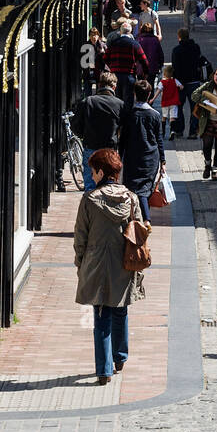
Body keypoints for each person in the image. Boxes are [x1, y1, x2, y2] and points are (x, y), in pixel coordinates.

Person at [74, 148, 146, 385]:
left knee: (101, 315)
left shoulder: (89, 200)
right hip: (124, 263)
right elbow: (138, 235)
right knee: (121, 309)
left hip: (97, 263)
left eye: (93, 171)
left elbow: (80, 238)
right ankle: (120, 357)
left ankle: (103, 370)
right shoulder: (132, 198)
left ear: (102, 172)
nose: (92, 176)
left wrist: (80, 264)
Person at [119, 79, 166, 223]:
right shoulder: (155, 115)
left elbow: (123, 139)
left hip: (132, 157)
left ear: (134, 94)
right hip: (151, 158)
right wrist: (162, 160)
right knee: (145, 190)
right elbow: (159, 139)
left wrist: (119, 157)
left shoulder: (129, 115)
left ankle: (135, 220)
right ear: (149, 94)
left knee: (132, 189)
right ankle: (145, 220)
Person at [71, 71, 124, 190]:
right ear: (114, 87)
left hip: (91, 147)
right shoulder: (120, 104)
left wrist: (84, 135)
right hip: (110, 150)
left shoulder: (88, 101)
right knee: (110, 185)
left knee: (90, 186)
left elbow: (75, 126)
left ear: (99, 85)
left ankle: (91, 207)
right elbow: (124, 128)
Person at [105, 21, 149, 104]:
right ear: (130, 32)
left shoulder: (113, 43)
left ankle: (118, 116)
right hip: (129, 75)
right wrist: (145, 73)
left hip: (115, 75)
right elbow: (144, 60)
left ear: (120, 31)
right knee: (128, 100)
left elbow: (105, 58)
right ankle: (127, 116)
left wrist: (112, 67)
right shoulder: (134, 44)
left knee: (117, 99)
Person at [159, 64, 183, 139]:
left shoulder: (162, 82)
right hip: (174, 102)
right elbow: (181, 87)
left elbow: (158, 91)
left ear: (164, 73)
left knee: (164, 117)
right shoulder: (175, 80)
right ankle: (172, 131)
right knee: (173, 117)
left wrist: (153, 99)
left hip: (165, 102)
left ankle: (163, 133)